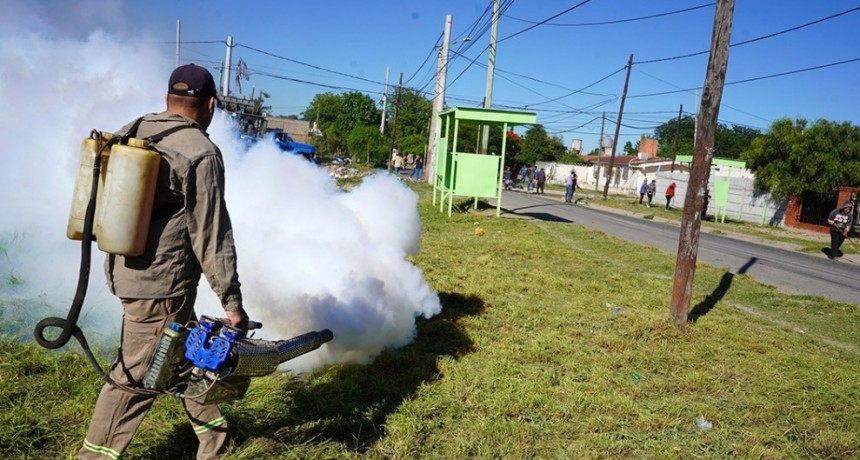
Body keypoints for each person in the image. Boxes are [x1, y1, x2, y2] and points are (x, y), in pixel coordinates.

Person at [79, 64, 250, 460]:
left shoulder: (135, 129)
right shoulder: (200, 151)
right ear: (211, 104)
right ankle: (93, 457)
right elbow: (211, 233)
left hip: (126, 270)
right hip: (160, 286)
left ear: (167, 99)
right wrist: (232, 302)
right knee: (137, 378)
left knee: (187, 357)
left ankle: (214, 441)